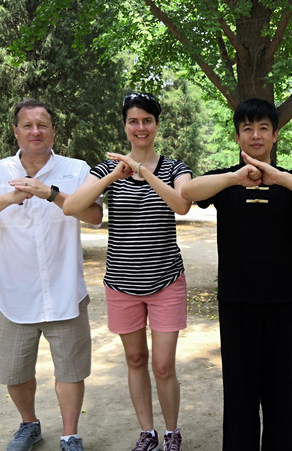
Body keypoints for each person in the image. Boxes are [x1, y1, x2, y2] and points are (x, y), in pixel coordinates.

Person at [0, 99, 103, 451]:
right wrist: (9, 197)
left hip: (66, 292)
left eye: (43, 125)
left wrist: (49, 194)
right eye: (28, 125)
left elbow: (95, 215)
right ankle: (29, 424)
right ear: (16, 131)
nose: (36, 131)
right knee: (15, 371)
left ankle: (69, 435)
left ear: (53, 131)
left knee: (71, 370)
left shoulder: (75, 169)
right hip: (14, 296)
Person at [180, 98, 292, 451]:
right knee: (239, 388)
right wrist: (234, 177)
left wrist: (277, 176)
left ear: (276, 135)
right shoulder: (225, 181)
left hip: (280, 299)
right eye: (247, 128)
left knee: (280, 388)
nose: (255, 134)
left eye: (263, 127)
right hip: (235, 299)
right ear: (237, 136)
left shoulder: (289, 182)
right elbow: (187, 192)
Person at [62, 92, 192, 451]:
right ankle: (147, 433)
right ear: (125, 125)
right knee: (136, 359)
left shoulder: (174, 168)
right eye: (133, 121)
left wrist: (144, 173)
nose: (140, 127)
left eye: (147, 120)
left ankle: (171, 434)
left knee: (163, 365)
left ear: (156, 125)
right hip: (121, 283)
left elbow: (182, 205)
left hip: (166, 279)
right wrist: (113, 177)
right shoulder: (106, 168)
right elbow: (72, 206)